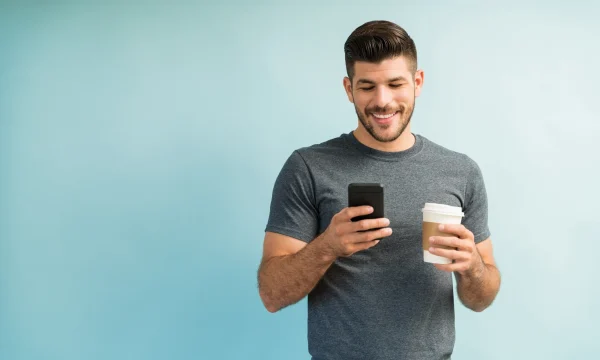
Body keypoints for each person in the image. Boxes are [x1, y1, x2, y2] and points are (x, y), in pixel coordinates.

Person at [257, 20, 501, 360]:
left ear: (418, 83)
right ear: (348, 88)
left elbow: (481, 298)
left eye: (395, 84)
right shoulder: (308, 168)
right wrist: (327, 246)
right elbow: (271, 294)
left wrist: (471, 265)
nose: (382, 101)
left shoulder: (461, 172)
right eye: (367, 86)